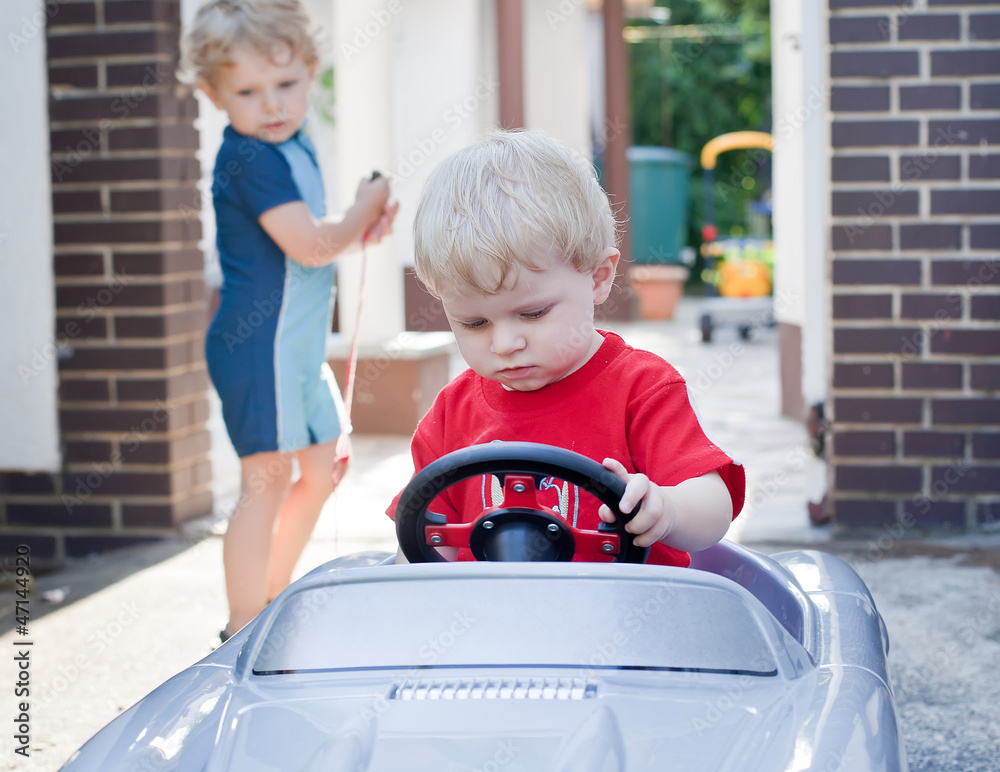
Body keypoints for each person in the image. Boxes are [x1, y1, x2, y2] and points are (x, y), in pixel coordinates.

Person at [387, 130, 744, 566]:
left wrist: (667, 509)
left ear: (597, 278)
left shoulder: (642, 389)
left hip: (629, 621)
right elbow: (423, 538)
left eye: (533, 314)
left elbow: (714, 509)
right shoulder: (450, 414)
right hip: (489, 624)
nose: (505, 344)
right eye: (474, 323)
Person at [183, 0, 398, 640]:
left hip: (295, 349)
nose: (272, 104)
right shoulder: (251, 160)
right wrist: (363, 209)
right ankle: (244, 624)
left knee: (324, 463)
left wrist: (356, 229)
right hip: (259, 349)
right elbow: (311, 246)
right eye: (248, 91)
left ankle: (271, 594)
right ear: (213, 93)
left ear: (310, 69)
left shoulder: (292, 142)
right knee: (267, 479)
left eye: (286, 84)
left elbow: (307, 246)